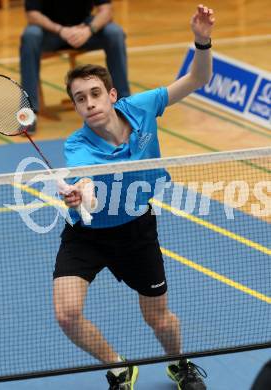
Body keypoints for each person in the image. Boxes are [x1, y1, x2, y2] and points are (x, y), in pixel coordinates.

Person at [53, 4, 215, 389]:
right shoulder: (78, 146)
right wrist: (80, 197)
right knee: (66, 314)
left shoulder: (142, 108)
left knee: (158, 319)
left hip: (137, 232)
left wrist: (202, 40)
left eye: (95, 94)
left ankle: (179, 364)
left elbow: (196, 79)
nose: (89, 103)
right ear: (76, 107)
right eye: (80, 99)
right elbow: (89, 191)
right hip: (88, 236)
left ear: (111, 94)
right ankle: (118, 365)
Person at [20, 0, 130, 134]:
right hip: (50, 31)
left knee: (114, 33)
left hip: (84, 29)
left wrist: (89, 30)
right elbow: (32, 14)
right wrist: (61, 30)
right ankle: (28, 112)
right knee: (30, 36)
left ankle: (123, 106)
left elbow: (106, 10)